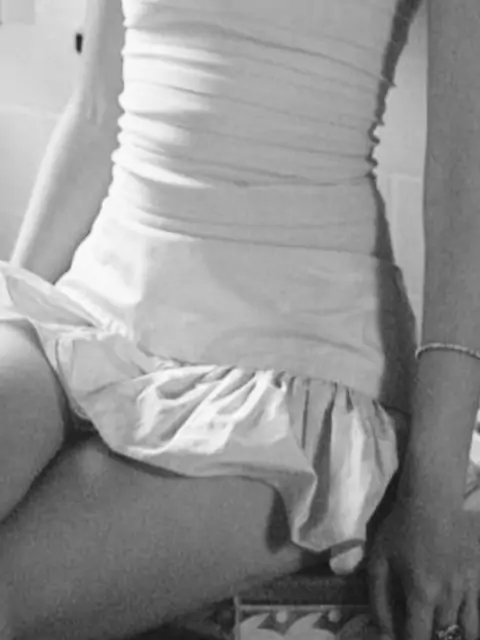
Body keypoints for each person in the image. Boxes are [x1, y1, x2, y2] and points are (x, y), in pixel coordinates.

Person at [0, 0, 477, 638]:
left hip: (296, 372)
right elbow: (95, 114)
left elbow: (462, 186)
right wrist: (15, 306)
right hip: (93, 313)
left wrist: (433, 495)